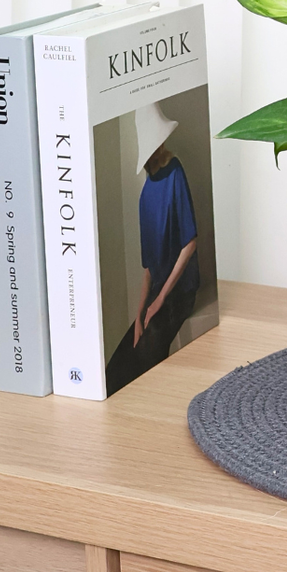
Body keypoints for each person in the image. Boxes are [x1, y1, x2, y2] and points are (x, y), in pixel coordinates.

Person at [105, 102, 200, 396]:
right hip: (157, 293)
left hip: (180, 291)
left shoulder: (175, 173)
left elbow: (190, 242)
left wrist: (159, 302)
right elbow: (148, 269)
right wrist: (140, 312)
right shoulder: (145, 195)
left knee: (147, 355)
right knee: (123, 356)